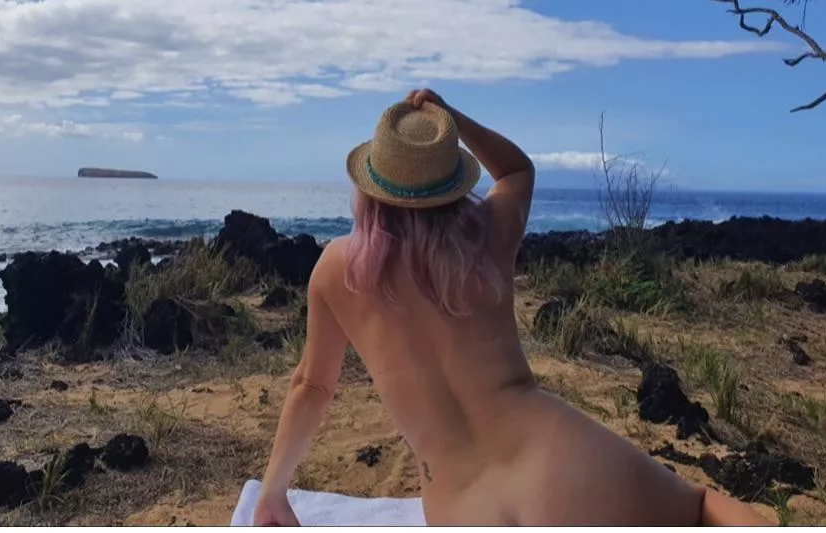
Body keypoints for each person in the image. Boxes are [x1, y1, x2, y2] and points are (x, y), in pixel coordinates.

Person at [254, 90, 770, 526]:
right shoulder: (488, 236)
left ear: (368, 185)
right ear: (455, 183)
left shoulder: (336, 271)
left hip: (460, 507)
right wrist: (449, 116)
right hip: (560, 462)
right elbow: (517, 168)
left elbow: (312, 387)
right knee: (703, 510)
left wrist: (274, 491)